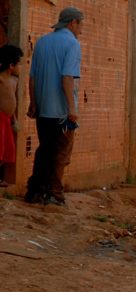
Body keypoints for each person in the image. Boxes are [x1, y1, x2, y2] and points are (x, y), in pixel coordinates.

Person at [24, 6, 84, 206]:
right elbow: (67, 77)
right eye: (80, 24)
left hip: (43, 108)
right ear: (72, 23)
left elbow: (32, 78)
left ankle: (35, 191)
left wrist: (33, 102)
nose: (81, 29)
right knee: (59, 153)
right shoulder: (72, 44)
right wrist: (72, 109)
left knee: (45, 149)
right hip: (61, 110)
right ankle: (54, 193)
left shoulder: (42, 42)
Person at [0, 44, 22, 187]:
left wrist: (14, 120)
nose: (21, 66)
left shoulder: (14, 80)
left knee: (6, 149)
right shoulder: (0, 79)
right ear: (11, 65)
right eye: (19, 63)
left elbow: (13, 100)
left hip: (7, 119)